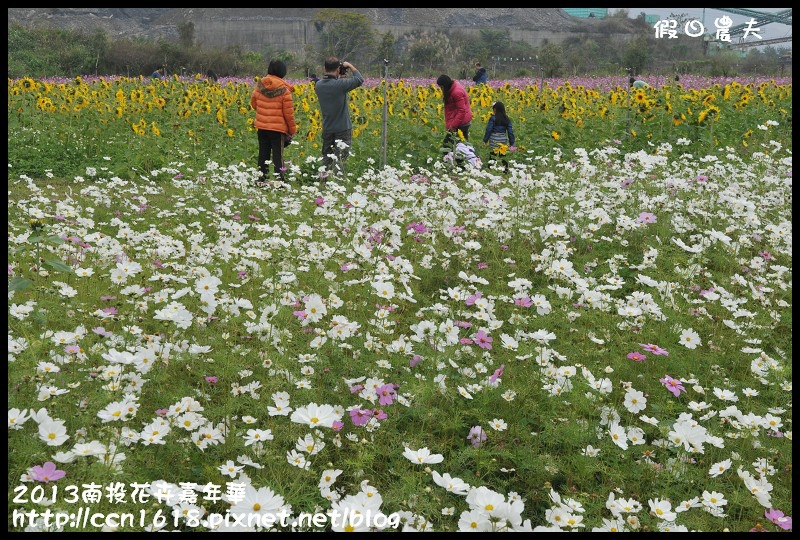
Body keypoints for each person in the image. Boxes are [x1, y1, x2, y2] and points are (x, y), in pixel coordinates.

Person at [313, 57, 364, 178]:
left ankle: (323, 183)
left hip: (328, 128)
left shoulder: (318, 85)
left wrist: (338, 76)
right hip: (343, 128)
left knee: (326, 158)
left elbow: (331, 85)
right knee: (340, 160)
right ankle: (337, 184)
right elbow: (359, 79)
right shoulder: (341, 85)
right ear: (337, 69)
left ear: (325, 69)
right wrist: (350, 66)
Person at [250, 59, 297, 186]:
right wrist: (292, 130)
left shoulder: (260, 86)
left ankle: (261, 179)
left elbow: (254, 104)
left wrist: (264, 114)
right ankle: (279, 181)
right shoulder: (284, 90)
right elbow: (289, 114)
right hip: (278, 130)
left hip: (262, 127)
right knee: (278, 156)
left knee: (263, 154)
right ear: (283, 72)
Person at [436, 74, 473, 164]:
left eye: (441, 87)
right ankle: (462, 165)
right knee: (462, 146)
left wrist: (453, 125)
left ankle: (449, 164)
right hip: (460, 121)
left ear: (444, 85)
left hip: (461, 123)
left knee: (448, 145)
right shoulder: (453, 89)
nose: (441, 89)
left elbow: (462, 110)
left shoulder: (456, 92)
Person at [482, 101, 515, 173]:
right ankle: (506, 170)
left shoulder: (493, 118)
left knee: (493, 155)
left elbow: (489, 130)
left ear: (495, 109)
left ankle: (490, 169)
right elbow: (510, 132)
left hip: (494, 139)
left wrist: (485, 140)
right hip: (503, 139)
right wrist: (511, 143)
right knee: (503, 154)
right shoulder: (507, 119)